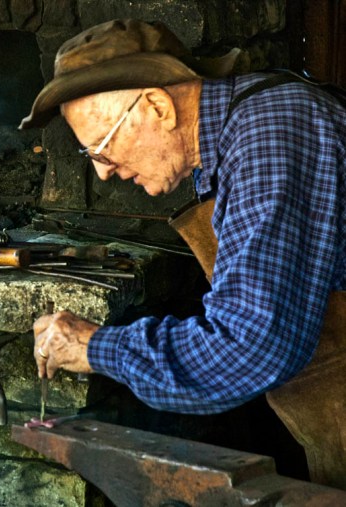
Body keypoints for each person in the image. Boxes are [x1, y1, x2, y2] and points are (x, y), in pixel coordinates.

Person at [21, 19, 346, 416]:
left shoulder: (270, 137)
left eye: (101, 149)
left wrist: (96, 347)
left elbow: (249, 347)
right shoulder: (238, 133)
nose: (103, 172)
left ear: (158, 106)